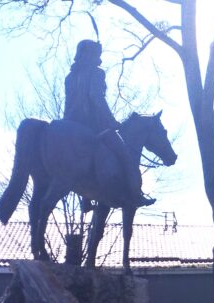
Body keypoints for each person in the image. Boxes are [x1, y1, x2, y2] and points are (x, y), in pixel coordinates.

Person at [63, 39, 154, 207]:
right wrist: (111, 120)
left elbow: (68, 103)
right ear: (90, 54)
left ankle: (86, 199)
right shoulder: (97, 73)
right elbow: (96, 97)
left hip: (73, 124)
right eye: (97, 53)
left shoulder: (70, 77)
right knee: (126, 156)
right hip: (95, 125)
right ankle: (136, 195)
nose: (99, 57)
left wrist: (66, 125)